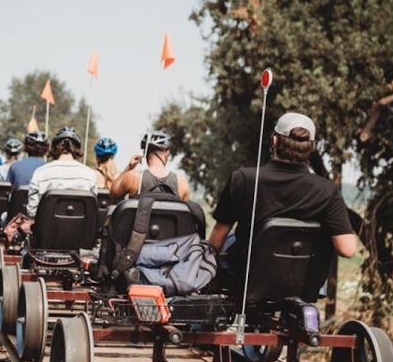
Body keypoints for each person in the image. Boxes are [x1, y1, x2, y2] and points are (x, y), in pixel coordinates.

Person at [208, 112, 357, 262]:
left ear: (274, 141)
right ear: (310, 148)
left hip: (245, 281)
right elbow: (347, 249)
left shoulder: (243, 179)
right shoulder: (327, 190)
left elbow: (217, 240)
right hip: (303, 284)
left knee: (231, 239)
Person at [26, 127, 97, 218]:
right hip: (80, 231)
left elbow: (31, 212)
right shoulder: (89, 174)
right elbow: (92, 211)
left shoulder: (40, 172)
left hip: (46, 231)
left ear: (54, 148)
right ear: (77, 148)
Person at [109, 131, 191, 202]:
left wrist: (129, 167)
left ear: (145, 154)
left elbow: (112, 194)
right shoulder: (181, 183)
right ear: (167, 153)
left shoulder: (134, 178)